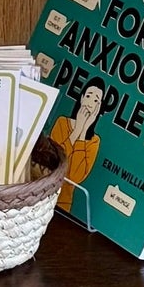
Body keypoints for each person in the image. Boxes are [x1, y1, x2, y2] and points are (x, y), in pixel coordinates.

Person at [53, 80, 103, 214]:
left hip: (63, 204)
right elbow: (53, 161)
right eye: (88, 96)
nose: (89, 103)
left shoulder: (94, 141)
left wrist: (83, 132)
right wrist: (76, 132)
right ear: (81, 98)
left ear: (98, 109)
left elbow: (75, 177)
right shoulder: (62, 123)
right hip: (41, 193)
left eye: (95, 101)